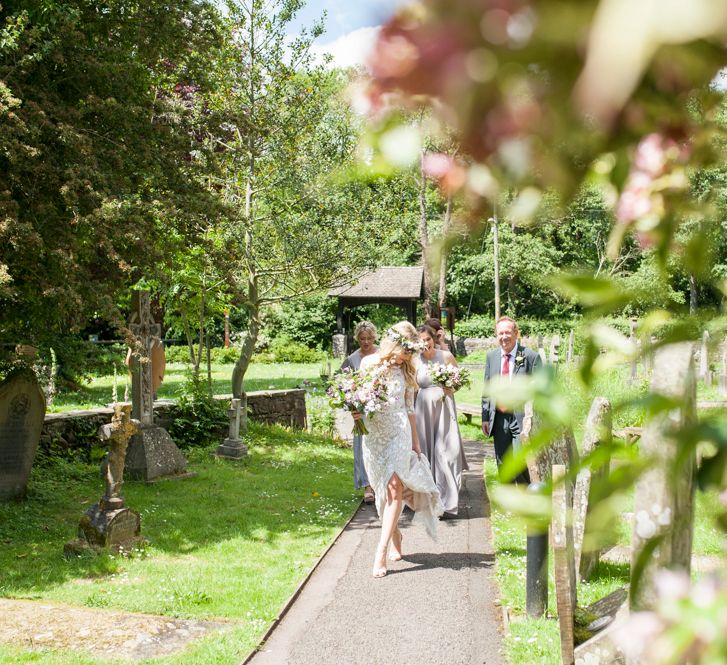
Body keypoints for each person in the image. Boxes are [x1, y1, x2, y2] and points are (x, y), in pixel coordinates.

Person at [357, 321, 444, 578]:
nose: (408, 357)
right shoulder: (369, 364)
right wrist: (354, 412)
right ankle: (395, 534)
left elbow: (409, 408)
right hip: (374, 436)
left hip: (399, 433)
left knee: (395, 488)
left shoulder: (408, 370)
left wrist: (416, 443)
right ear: (394, 344)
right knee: (383, 491)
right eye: (405, 351)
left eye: (410, 353)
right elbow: (358, 399)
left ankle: (380, 551)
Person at [414, 325, 469, 516]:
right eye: (420, 341)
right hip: (423, 412)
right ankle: (430, 501)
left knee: (447, 452)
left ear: (433, 339)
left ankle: (448, 501)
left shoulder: (446, 356)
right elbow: (411, 388)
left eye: (427, 339)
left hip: (444, 409)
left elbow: (459, 380)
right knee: (427, 454)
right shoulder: (415, 361)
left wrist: (450, 389)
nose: (425, 344)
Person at [481, 316, 542, 484]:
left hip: (521, 418)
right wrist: (485, 417)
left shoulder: (530, 356)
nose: (504, 337)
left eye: (508, 332)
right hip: (499, 418)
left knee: (520, 460)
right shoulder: (491, 357)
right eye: (500, 333)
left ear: (516, 333)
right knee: (502, 461)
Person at [340, 321, 378, 504]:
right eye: (362, 339)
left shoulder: (381, 355)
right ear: (357, 339)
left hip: (380, 407)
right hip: (361, 409)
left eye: (369, 338)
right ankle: (367, 486)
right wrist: (352, 406)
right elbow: (342, 385)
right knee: (361, 447)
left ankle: (381, 483)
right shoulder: (352, 359)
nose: (366, 342)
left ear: (374, 338)